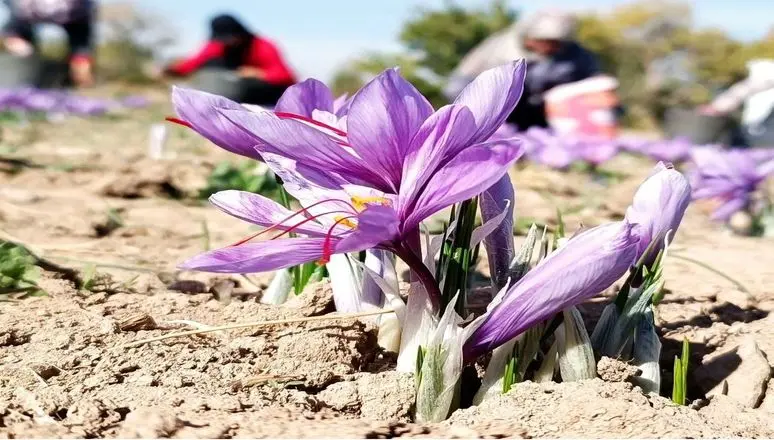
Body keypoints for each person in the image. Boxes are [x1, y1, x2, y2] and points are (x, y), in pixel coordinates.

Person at [444, 9, 601, 130]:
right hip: (499, 112)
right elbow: (458, 85)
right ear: (528, 37)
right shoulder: (499, 47)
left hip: (546, 115)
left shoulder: (577, 55)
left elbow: (597, 86)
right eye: (542, 40)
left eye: (555, 42)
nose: (548, 46)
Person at [164, 14, 296, 106]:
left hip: (269, 92)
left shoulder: (262, 45)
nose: (229, 42)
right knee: (212, 64)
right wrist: (170, 70)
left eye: (232, 37)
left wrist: (258, 73)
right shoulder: (218, 44)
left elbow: (286, 76)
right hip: (237, 90)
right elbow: (195, 62)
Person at [2, 0, 95, 87]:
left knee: (81, 69)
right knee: (20, 52)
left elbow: (81, 35)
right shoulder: (21, 7)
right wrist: (13, 37)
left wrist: (81, 59)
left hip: (76, 20)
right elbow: (13, 28)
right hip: (23, 18)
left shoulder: (79, 8)